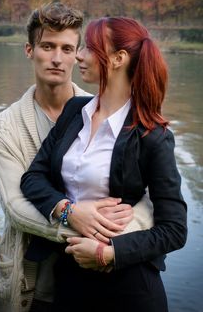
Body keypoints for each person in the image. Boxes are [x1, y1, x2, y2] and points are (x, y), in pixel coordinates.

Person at [20, 16, 188, 312]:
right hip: (69, 280)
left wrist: (109, 253)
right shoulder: (74, 111)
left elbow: (174, 229)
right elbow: (33, 177)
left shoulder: (152, 136)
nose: (79, 55)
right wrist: (67, 210)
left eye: (89, 47)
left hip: (128, 290)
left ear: (118, 58)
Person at [0, 3, 135, 312]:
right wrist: (74, 217)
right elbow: (16, 207)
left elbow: (144, 198)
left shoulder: (107, 114)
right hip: (32, 281)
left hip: (96, 278)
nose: (57, 58)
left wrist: (114, 249)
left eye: (67, 48)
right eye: (47, 46)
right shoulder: (4, 127)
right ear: (30, 50)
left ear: (79, 53)